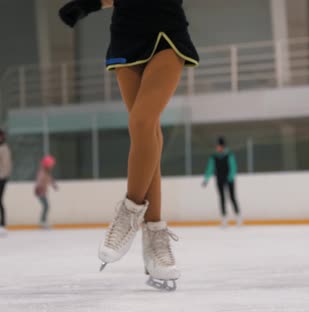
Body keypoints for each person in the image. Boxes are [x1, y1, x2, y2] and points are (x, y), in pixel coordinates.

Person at [59, 0, 199, 291]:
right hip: (126, 37)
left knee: (141, 122)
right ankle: (156, 237)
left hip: (167, 34)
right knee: (147, 134)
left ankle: (130, 211)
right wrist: (87, 5)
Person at [202, 136, 242, 228]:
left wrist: (230, 177)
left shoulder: (229, 155)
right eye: (217, 146)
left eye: (219, 145)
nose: (217, 147)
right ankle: (224, 219)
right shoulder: (214, 157)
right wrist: (206, 179)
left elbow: (233, 167)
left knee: (232, 197)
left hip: (229, 179)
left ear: (223, 146)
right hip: (219, 179)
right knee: (222, 198)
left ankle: (238, 217)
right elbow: (210, 168)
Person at [34, 155, 59, 229]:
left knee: (46, 206)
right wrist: (39, 188)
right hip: (40, 192)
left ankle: (43, 221)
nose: (52, 166)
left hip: (43, 192)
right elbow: (39, 181)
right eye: (51, 165)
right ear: (47, 165)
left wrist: (54, 185)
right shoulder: (42, 172)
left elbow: (50, 179)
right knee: (46, 206)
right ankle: (42, 221)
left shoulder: (47, 172)